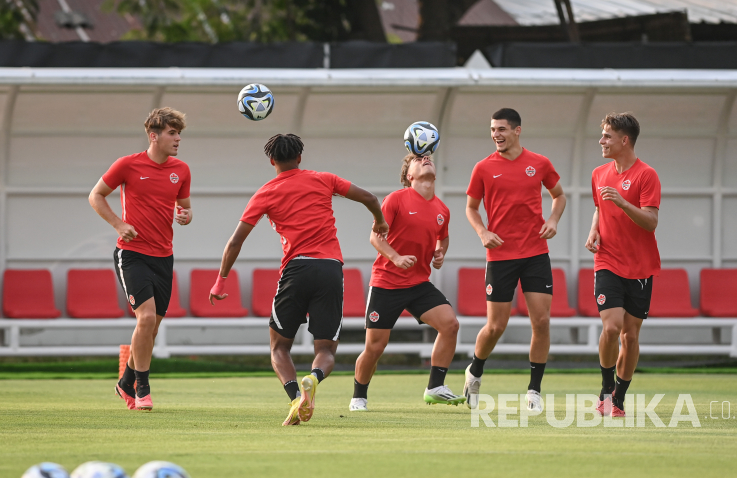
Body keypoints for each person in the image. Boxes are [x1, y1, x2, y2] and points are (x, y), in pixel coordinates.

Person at [210, 133, 388, 426]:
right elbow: (370, 198)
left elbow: (235, 242)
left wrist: (221, 280)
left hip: (297, 269)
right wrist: (379, 220)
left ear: (271, 161)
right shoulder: (324, 179)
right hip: (330, 269)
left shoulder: (265, 192)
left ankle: (295, 398)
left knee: (279, 346)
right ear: (300, 158)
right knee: (326, 350)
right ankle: (313, 378)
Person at [89, 107, 193, 412]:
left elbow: (185, 209)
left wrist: (185, 216)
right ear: (154, 136)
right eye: (172, 133)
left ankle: (124, 383)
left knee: (152, 328)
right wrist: (119, 224)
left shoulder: (182, 170)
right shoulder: (127, 165)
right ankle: (142, 387)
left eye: (179, 134)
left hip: (165, 257)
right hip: (132, 254)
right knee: (145, 319)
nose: (177, 139)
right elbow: (96, 195)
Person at [463, 108, 566, 412]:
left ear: (517, 131)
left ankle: (534, 390)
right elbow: (471, 208)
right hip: (500, 256)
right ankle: (475, 371)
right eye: (493, 130)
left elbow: (559, 195)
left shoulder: (539, 163)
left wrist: (553, 220)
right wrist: (482, 232)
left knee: (542, 322)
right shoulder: (482, 168)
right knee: (496, 326)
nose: (496, 135)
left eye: (502, 130)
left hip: (535, 253)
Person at [350, 153, 463, 411]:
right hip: (386, 283)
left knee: (450, 324)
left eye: (429, 157)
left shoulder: (442, 209)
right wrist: (396, 257)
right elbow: (375, 238)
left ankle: (435, 387)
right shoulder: (396, 200)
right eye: (418, 158)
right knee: (375, 347)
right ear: (409, 175)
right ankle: (359, 397)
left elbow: (442, 238)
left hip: (418, 284)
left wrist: (440, 252)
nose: (426, 159)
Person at [585, 112, 661, 418]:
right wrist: (594, 229)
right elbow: (598, 209)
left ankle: (619, 397)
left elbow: (651, 222)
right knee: (612, 326)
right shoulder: (598, 173)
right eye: (602, 135)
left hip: (641, 267)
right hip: (607, 261)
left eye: (607, 136)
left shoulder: (647, 175)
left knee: (630, 335)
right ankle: (605, 390)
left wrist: (622, 202)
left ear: (624, 140)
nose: (601, 141)